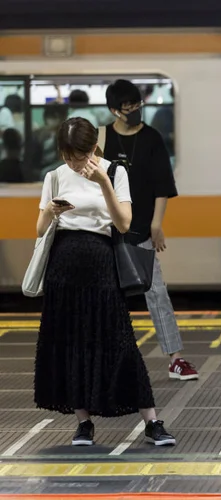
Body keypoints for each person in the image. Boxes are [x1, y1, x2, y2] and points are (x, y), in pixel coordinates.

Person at [33, 117, 175, 447]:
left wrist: (102, 183)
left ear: (93, 148)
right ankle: (83, 422)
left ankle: (151, 421)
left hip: (101, 262)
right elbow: (39, 229)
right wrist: (52, 211)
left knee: (119, 340)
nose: (73, 162)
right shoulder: (54, 176)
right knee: (69, 344)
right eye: (68, 156)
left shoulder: (113, 172)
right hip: (64, 265)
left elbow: (123, 224)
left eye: (79, 155)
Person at [102, 80, 199, 382]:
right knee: (107, 297)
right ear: (114, 110)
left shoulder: (152, 137)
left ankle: (176, 359)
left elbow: (162, 184)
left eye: (137, 106)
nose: (134, 112)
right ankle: (108, 360)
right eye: (127, 108)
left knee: (157, 293)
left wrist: (157, 224)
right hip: (106, 231)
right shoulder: (102, 137)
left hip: (141, 227)